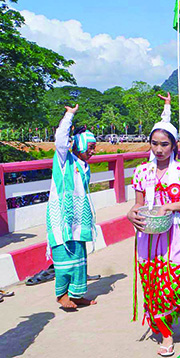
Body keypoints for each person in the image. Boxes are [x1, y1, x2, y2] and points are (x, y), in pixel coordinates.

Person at [127, 110, 180, 356]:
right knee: (152, 285)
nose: (159, 149)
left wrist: (169, 206)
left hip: (176, 233)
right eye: (155, 143)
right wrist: (131, 214)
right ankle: (167, 334)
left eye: (164, 144)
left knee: (171, 283)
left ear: (174, 146)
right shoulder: (141, 171)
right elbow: (138, 205)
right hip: (147, 235)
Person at [46, 104, 98, 309]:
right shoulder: (63, 159)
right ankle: (61, 295)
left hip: (79, 216)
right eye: (90, 147)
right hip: (61, 214)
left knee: (79, 257)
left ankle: (76, 294)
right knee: (63, 255)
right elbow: (60, 141)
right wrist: (69, 115)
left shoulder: (84, 166)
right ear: (80, 145)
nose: (94, 151)